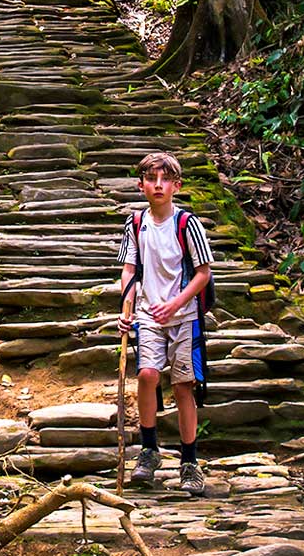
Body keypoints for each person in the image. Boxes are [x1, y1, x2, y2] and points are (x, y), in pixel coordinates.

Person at [117, 152, 214, 495]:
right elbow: (130, 270)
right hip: (148, 313)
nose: (158, 186)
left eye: (165, 179)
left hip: (184, 316)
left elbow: (203, 274)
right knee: (146, 374)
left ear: (177, 185)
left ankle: (190, 461)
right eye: (151, 179)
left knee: (184, 385)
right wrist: (127, 310)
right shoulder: (136, 224)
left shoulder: (188, 225)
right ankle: (149, 450)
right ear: (141, 185)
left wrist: (175, 303)